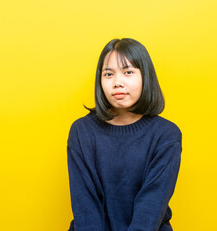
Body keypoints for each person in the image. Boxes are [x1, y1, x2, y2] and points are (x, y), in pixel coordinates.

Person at [67, 38, 182, 231]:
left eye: (128, 72)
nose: (118, 83)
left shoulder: (166, 135)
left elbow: (151, 208)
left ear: (145, 76)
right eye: (109, 74)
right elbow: (85, 207)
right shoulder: (81, 131)